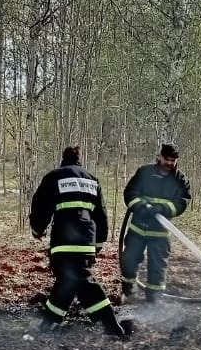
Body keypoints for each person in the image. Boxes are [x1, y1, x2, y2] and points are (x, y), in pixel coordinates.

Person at [29, 146, 130, 338]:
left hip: (64, 240)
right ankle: (47, 325)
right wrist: (97, 244)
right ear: (79, 160)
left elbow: (40, 206)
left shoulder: (54, 177)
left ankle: (112, 325)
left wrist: (37, 230)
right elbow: (101, 215)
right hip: (86, 242)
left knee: (83, 283)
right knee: (68, 282)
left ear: (63, 159)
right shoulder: (91, 179)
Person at [120, 143, 192, 303]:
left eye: (173, 160)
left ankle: (154, 300)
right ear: (159, 156)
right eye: (167, 159)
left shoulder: (179, 179)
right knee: (129, 261)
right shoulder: (144, 172)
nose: (169, 164)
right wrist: (140, 206)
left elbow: (183, 201)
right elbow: (130, 193)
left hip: (160, 232)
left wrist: (164, 209)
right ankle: (128, 292)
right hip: (137, 229)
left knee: (157, 268)